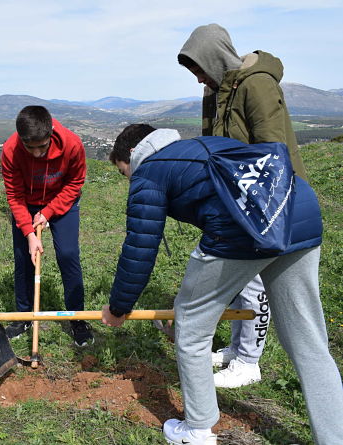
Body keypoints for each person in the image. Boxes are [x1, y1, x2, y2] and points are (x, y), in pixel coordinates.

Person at [102, 124, 343, 445]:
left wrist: (119, 306)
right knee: (308, 340)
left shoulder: (148, 171)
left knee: (190, 326)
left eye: (123, 172)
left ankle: (197, 430)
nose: (128, 179)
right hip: (299, 208)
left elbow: (140, 248)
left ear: (131, 154)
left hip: (243, 228)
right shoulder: (198, 145)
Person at [177, 23, 307, 388]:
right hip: (238, 198)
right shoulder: (215, 93)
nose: (198, 78)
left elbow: (272, 149)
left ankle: (249, 361)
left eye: (199, 68)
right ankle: (237, 349)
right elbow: (214, 147)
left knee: (251, 281)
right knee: (240, 280)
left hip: (268, 197)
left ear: (215, 58)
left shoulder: (257, 84)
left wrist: (258, 202)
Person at [1, 105, 93, 346]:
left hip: (62, 202)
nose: (36, 153)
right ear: (21, 139)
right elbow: (14, 195)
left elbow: (75, 183)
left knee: (68, 254)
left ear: (51, 133)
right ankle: (24, 316)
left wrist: (49, 211)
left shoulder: (72, 144)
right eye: (29, 147)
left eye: (42, 146)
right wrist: (30, 234)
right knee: (23, 258)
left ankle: (78, 318)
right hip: (27, 205)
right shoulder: (11, 150)